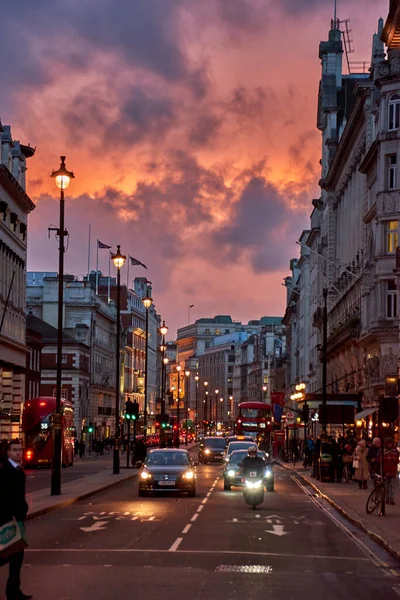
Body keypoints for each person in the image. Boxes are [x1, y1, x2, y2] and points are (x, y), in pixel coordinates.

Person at [0, 439, 32, 600]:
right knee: (8, 554)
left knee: (17, 556)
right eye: (14, 450)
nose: (18, 452)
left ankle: (14, 590)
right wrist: (11, 515)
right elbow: (5, 497)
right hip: (8, 519)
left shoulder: (18, 469)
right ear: (8, 452)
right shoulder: (5, 471)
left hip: (17, 518)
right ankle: (12, 590)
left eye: (20, 449)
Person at [383, 438, 399, 505]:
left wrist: (393, 459)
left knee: (392, 486)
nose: (389, 445)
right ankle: (387, 499)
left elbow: (397, 461)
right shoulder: (383, 451)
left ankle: (391, 500)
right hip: (386, 471)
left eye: (390, 443)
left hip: (392, 471)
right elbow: (381, 460)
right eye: (388, 443)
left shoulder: (395, 451)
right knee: (386, 487)